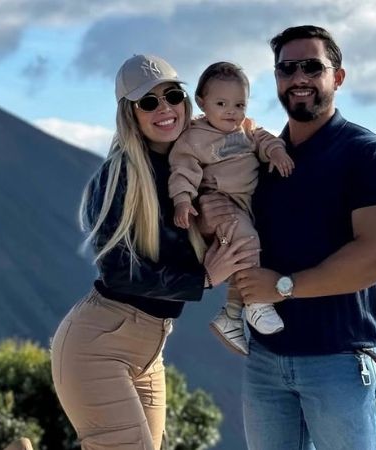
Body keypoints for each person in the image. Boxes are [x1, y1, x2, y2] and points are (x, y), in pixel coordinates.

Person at [210, 25, 376, 450]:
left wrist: (284, 287)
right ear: (276, 79)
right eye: (287, 69)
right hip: (265, 365)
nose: (298, 77)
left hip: (338, 364)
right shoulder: (259, 159)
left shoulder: (369, 154)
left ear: (337, 77)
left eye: (311, 67)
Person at [49, 54, 259, 450]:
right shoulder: (119, 174)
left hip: (150, 351)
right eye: (148, 102)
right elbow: (118, 270)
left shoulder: (196, 165)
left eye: (172, 96)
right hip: (98, 346)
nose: (164, 109)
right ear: (131, 114)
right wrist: (203, 279)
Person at [168, 61, 295, 356]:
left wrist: (276, 151)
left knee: (245, 252)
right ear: (202, 102)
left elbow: (265, 139)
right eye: (221, 104)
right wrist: (183, 200)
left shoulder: (246, 128)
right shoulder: (193, 137)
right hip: (220, 202)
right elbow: (183, 170)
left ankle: (231, 315)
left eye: (239, 105)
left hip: (244, 205)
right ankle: (257, 304)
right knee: (247, 242)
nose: (231, 112)